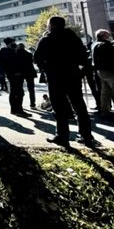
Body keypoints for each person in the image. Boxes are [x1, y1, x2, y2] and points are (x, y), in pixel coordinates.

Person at [33, 16, 95, 147]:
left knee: (59, 107)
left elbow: (37, 58)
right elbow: (84, 56)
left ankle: (62, 136)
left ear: (51, 25)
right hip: (72, 74)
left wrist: (46, 69)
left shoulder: (46, 39)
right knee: (79, 105)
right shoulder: (73, 38)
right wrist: (81, 70)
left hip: (55, 77)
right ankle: (86, 135)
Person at [0, 37, 30, 117]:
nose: (14, 44)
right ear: (8, 44)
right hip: (13, 74)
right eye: (13, 42)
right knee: (18, 92)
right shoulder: (4, 52)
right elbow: (4, 64)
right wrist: (11, 72)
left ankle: (15, 109)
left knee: (15, 91)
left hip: (17, 73)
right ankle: (18, 110)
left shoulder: (13, 50)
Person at [17, 43, 37, 108]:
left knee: (19, 89)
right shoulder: (29, 54)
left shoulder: (16, 54)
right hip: (30, 72)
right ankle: (32, 104)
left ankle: (20, 105)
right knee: (31, 89)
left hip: (20, 73)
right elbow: (32, 62)